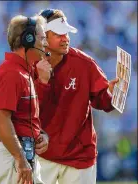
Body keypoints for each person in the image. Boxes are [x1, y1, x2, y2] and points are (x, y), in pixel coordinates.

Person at [34, 9, 119, 184]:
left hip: (79, 158)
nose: (65, 38)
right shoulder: (29, 64)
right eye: (58, 34)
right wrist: (42, 83)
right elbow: (26, 112)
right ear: (43, 37)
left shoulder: (85, 64)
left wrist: (111, 93)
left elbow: (105, 103)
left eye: (66, 33)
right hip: (42, 156)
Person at [0, 14, 52, 184]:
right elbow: (1, 118)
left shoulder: (25, 72)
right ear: (28, 39)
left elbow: (25, 119)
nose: (45, 43)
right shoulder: (12, 73)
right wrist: (21, 159)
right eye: (42, 38)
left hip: (21, 153)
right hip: (14, 156)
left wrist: (41, 135)